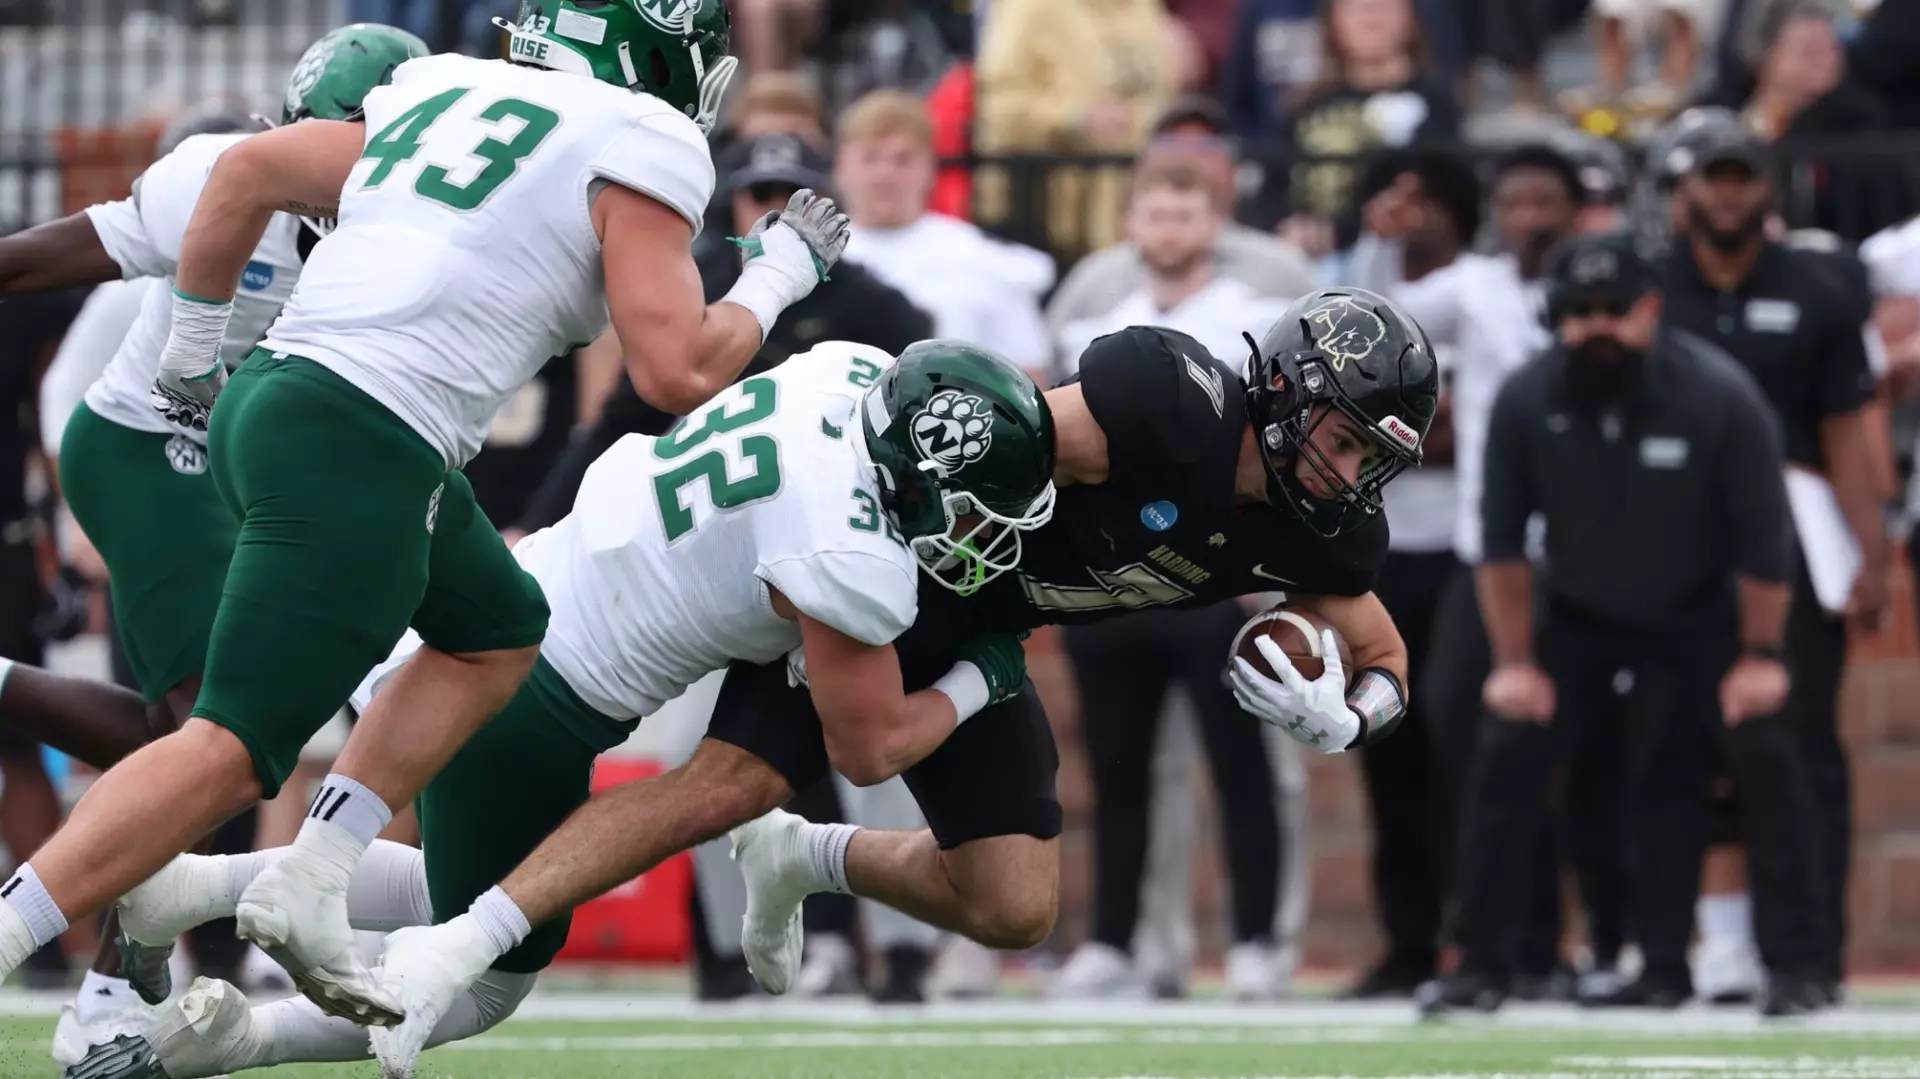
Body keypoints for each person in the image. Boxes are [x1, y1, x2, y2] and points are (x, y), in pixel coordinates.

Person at [0, 0, 850, 1028]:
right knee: (226, 742)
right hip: (364, 432)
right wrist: (781, 269)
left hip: (288, 401)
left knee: (496, 629)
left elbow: (243, 172)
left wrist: (191, 350)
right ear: (654, 46)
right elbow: (677, 368)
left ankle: (313, 871)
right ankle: (19, 933)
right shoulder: (645, 136)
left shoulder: (444, 82)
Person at [351, 288, 1438, 1073]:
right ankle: (471, 935)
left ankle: (806, 857)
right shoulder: (1169, 404)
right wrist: (844, 557)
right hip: (917, 564)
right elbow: (983, 447)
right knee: (730, 779)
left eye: (1372, 461)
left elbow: (1383, 655)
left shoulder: (1327, 531)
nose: (1350, 476)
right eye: (1345, 440)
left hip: (989, 626)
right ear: (1290, 389)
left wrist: (1346, 717)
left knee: (1014, 907)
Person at [75, 338, 1055, 1079]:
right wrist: (986, 676)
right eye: (971, 507)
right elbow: (873, 744)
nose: (976, 535)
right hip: (539, 696)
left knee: (477, 884)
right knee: (494, 965)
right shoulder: (851, 555)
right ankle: (242, 1039)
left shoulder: (841, 373)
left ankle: (192, 887)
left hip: (507, 593)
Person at [1438, 232, 1828, 1017]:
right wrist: (1516, 660)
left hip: (1702, 613)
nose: (1596, 327)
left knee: (1759, 749)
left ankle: (1794, 966)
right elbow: (1503, 542)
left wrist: (1759, 654)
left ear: (1650, 309)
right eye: (1577, 313)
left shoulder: (1719, 395)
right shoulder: (1525, 398)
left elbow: (1764, 541)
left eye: (1615, 309)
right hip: (1577, 609)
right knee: (1507, 745)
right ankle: (1481, 964)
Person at [1047, 158, 1295, 1000]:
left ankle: (1257, 941)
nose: (1168, 228)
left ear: (1215, 221)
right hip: (1117, 575)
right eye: (1153, 211)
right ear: (1130, 223)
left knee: (1240, 765)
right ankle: (1118, 939)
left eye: (1184, 211)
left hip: (1215, 577)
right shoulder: (1095, 316)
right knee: (1118, 771)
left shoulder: (1258, 318)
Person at [1659, 113, 1887, 1001]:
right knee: (1679, 745)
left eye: (1741, 175)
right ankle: (1689, 950)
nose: (1726, 193)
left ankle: (1809, 953)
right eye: (1711, 176)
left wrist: (1871, 552)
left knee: (1799, 748)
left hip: (1795, 522)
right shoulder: (1651, 290)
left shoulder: (1820, 286)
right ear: (1682, 190)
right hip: (1671, 525)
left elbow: (1846, 428)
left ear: (1769, 186)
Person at [512, 131, 933, 538]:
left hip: (831, 509)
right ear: (732, 203)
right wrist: (535, 525)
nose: (777, 210)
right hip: (707, 513)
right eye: (761, 193)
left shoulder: (876, 306)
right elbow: (620, 426)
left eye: (793, 195)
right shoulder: (695, 288)